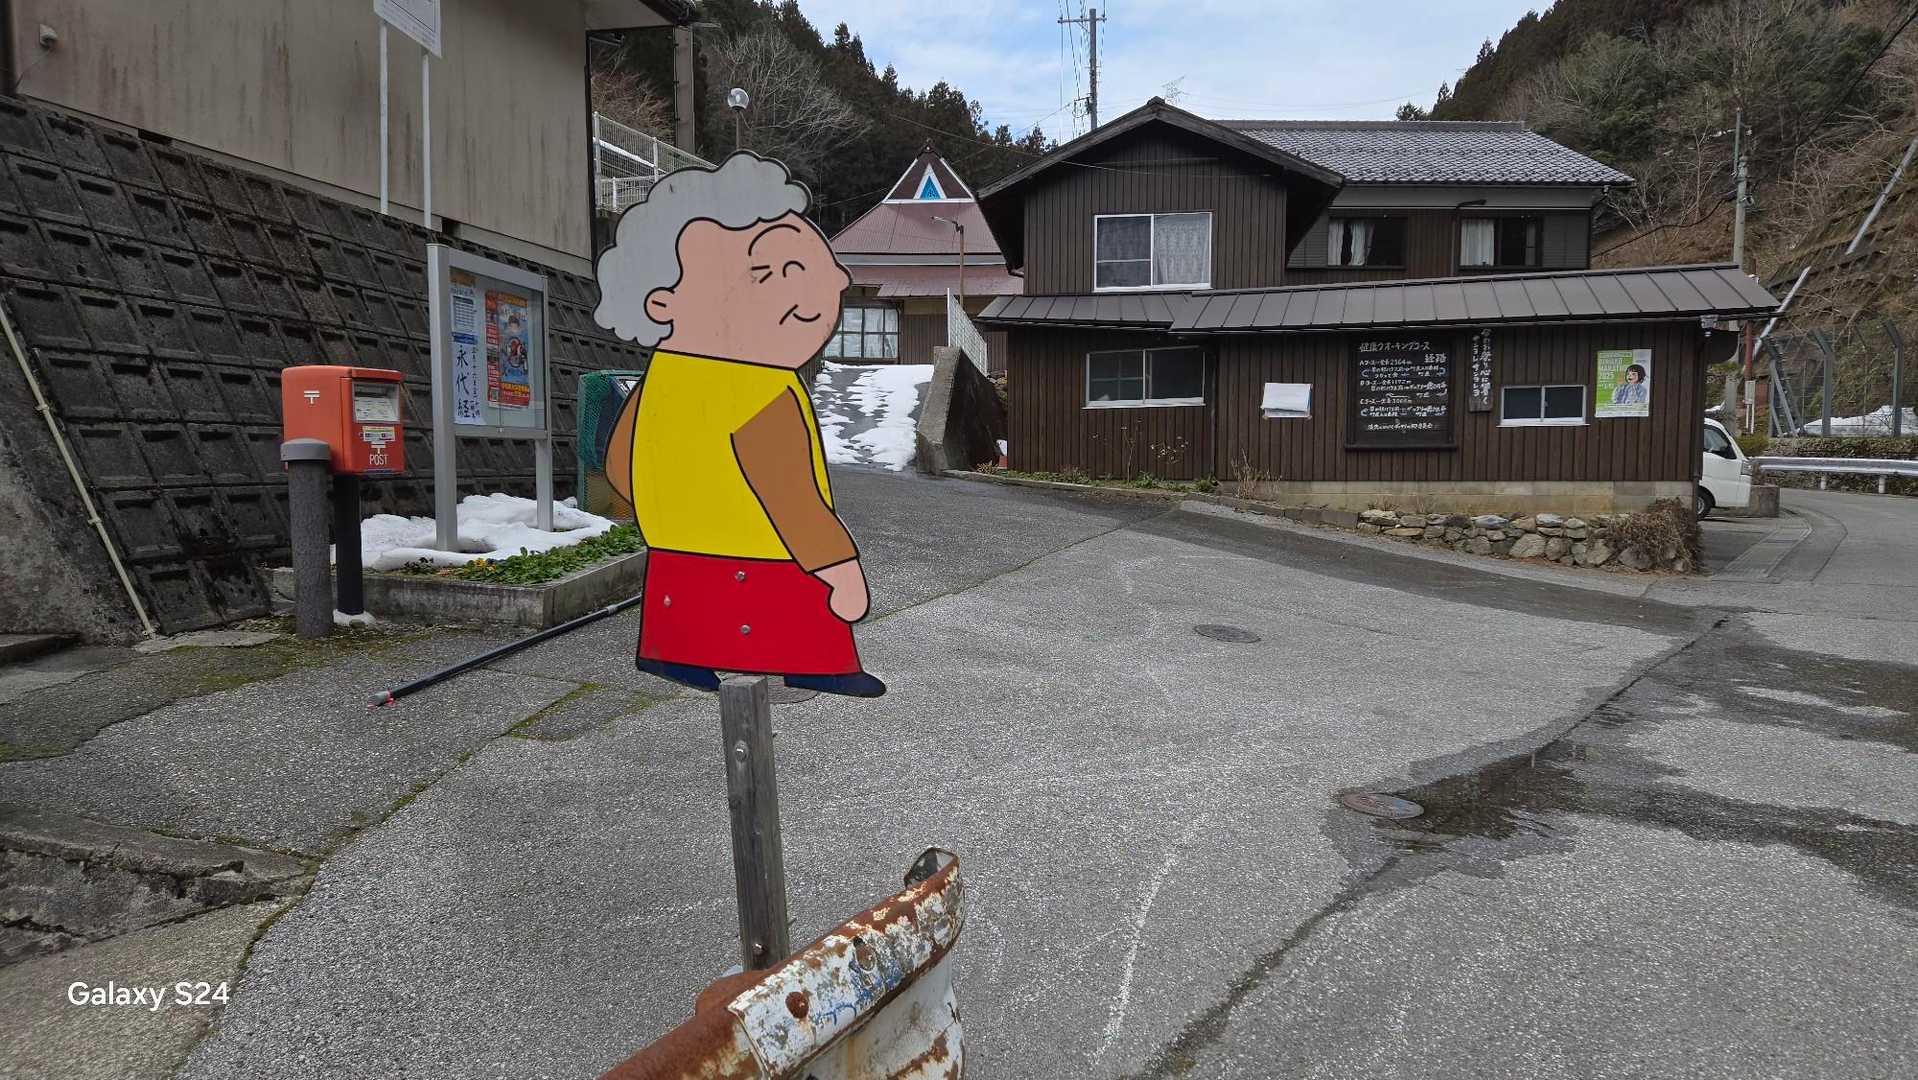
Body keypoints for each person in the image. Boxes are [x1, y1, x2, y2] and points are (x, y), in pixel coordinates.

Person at [592, 152, 883, 698]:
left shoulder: (663, 378)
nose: (821, 287)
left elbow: (621, 464)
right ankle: (818, 665)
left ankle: (675, 654)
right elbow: (792, 498)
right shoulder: (757, 388)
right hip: (764, 557)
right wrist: (839, 568)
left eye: (807, 270)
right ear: (662, 303)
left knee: (686, 625)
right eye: (770, 273)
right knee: (798, 623)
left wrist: (664, 503)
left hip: (676, 553)